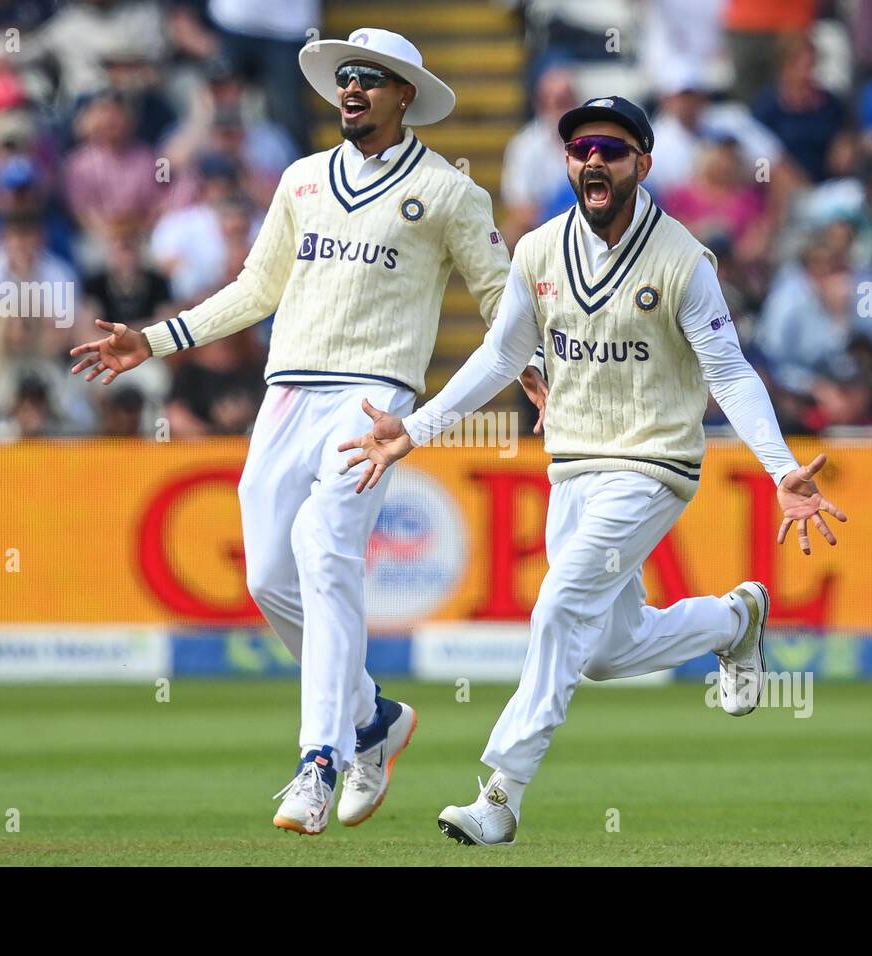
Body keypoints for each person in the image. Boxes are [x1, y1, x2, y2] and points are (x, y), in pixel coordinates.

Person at [338, 96, 847, 846]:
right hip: (572, 466)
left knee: (558, 605)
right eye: (580, 150)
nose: (594, 162)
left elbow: (730, 374)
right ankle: (736, 619)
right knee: (605, 650)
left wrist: (779, 467)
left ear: (642, 162)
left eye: (610, 149)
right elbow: (502, 356)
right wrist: (416, 429)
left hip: (653, 466)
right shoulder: (539, 250)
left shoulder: (682, 260)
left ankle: (500, 795)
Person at [67, 29, 531, 835]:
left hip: (373, 398)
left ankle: (318, 760)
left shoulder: (450, 192)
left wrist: (532, 370)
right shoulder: (302, 179)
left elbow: (502, 297)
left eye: (370, 80)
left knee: (326, 549)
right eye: (344, 78)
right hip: (287, 391)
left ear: (405, 95)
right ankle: (371, 718)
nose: (351, 90)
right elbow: (256, 288)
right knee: (270, 579)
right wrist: (156, 338)